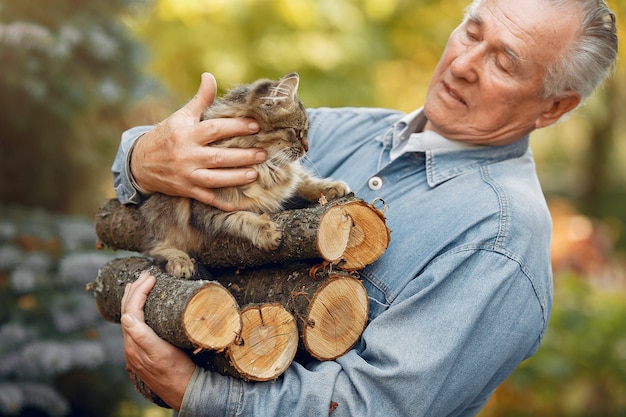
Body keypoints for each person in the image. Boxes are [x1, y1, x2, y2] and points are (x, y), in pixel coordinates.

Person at [113, 0, 618, 415]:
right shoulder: (348, 128)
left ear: (554, 107)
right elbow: (166, 153)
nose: (463, 66)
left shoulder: (502, 243)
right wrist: (143, 158)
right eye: (471, 32)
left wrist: (197, 394)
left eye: (504, 62)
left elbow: (371, 408)